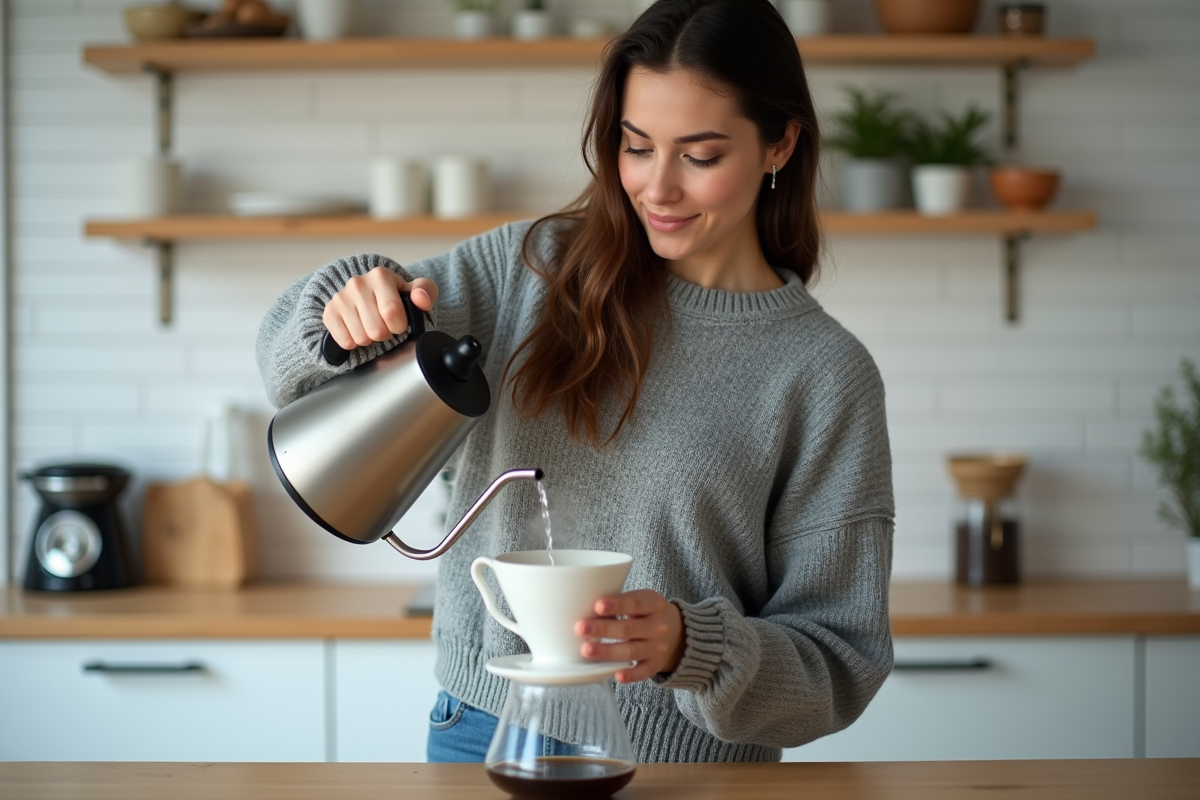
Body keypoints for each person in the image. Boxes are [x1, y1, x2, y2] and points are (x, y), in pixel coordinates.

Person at [257, 0, 894, 764]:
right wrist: (344, 307)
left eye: (700, 156)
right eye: (636, 146)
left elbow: (840, 664)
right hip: (479, 733)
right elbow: (282, 363)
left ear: (780, 144)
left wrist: (692, 645)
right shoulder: (529, 272)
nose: (657, 189)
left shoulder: (824, 373)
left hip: (687, 772)